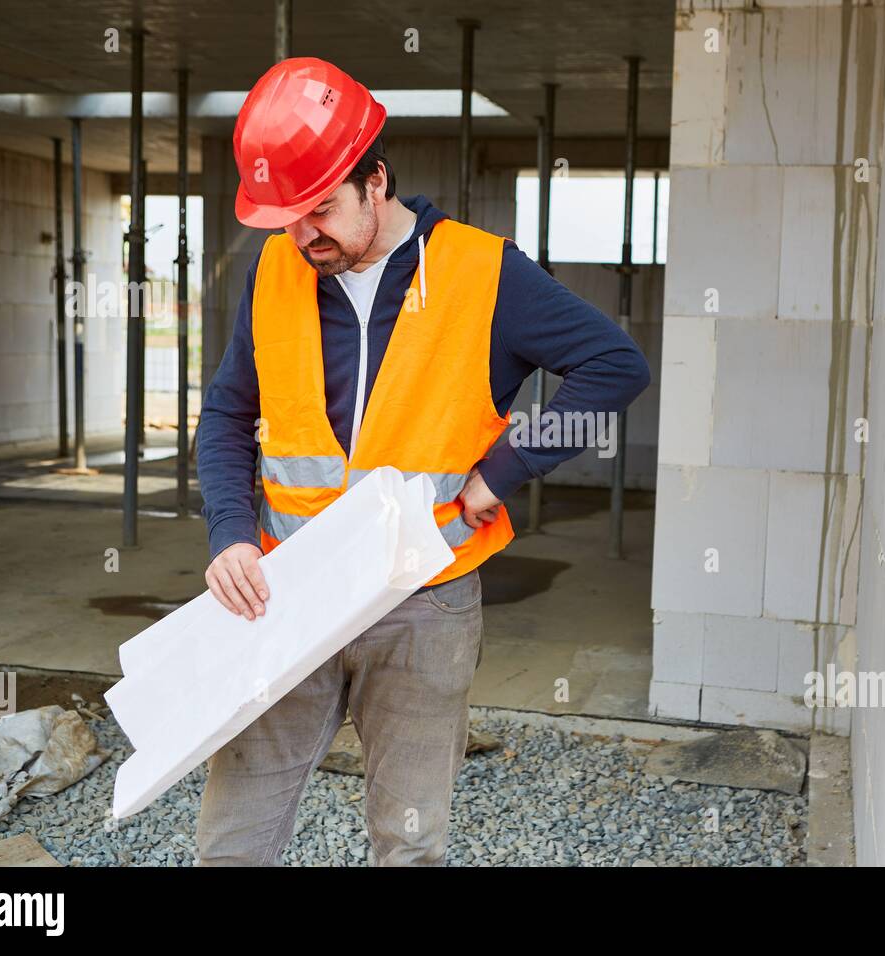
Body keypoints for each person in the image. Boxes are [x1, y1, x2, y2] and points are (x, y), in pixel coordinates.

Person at [192, 57, 650, 866]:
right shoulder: (275, 269)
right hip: (286, 593)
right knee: (233, 843)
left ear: (375, 179)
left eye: (321, 210)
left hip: (421, 603)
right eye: (287, 218)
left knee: (408, 846)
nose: (304, 236)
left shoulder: (482, 272)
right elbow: (229, 411)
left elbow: (615, 368)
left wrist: (504, 470)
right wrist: (230, 530)